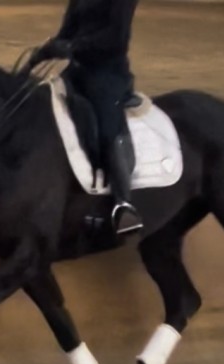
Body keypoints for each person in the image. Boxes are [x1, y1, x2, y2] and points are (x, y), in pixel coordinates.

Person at [27, 0, 143, 235]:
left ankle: (123, 204)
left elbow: (115, 38)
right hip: (77, 70)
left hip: (108, 73)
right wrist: (44, 52)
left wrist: (72, 46)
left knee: (106, 129)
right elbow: (67, 30)